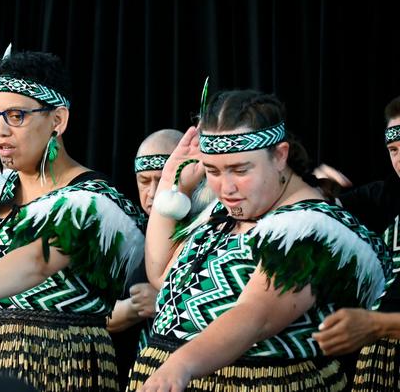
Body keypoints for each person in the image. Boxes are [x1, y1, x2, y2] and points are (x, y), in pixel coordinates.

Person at [0, 51, 145, 391]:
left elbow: (37, 261)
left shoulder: (95, 201)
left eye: (16, 116)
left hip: (58, 366)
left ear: (58, 120)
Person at [130, 90, 392, 392]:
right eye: (213, 170)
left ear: (280, 155)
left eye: (240, 170)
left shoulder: (312, 230)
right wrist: (171, 184)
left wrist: (180, 366)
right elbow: (162, 276)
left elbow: (255, 316)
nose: (226, 187)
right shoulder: (226, 211)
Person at [311, 95, 400, 391]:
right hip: (380, 364)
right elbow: (316, 214)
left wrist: (379, 324)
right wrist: (315, 191)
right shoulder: (383, 195)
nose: (399, 159)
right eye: (394, 149)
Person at [107, 129, 183, 391]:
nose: (151, 192)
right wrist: (133, 308)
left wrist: (165, 302)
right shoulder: (125, 233)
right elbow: (93, 315)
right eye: (144, 181)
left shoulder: (207, 229)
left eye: (161, 180)